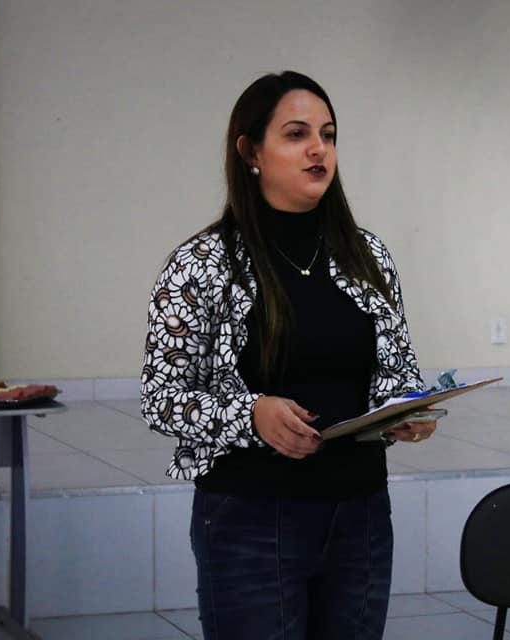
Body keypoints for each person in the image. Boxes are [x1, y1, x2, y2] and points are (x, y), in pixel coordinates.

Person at [139, 71, 437, 640]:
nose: (318, 149)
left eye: (328, 134)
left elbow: (396, 371)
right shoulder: (201, 264)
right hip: (252, 517)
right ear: (251, 152)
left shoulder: (367, 255)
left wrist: (407, 410)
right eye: (297, 134)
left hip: (360, 514)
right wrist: (251, 415)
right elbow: (162, 399)